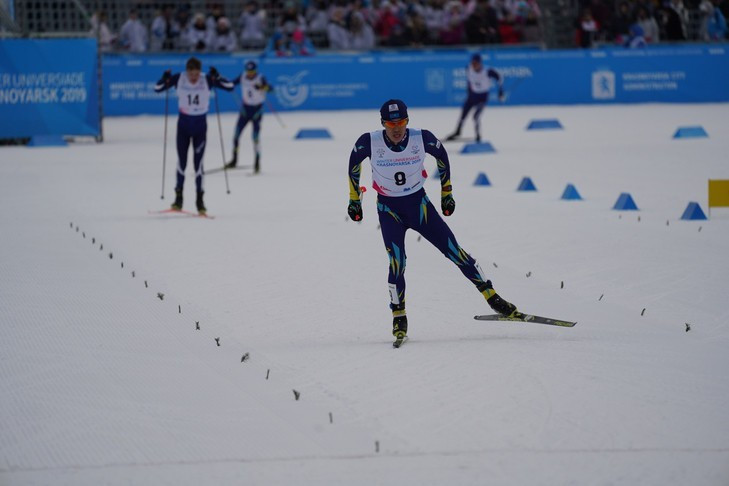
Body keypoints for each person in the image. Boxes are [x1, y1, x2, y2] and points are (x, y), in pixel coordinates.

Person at [347, 99, 519, 344]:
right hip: (389, 210)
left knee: (455, 252)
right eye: (390, 124)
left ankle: (492, 297)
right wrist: (355, 200)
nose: (396, 129)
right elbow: (353, 164)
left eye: (402, 122)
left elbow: (442, 156)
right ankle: (399, 314)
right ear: (382, 123)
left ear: (408, 121)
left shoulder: (421, 138)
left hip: (419, 207)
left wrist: (446, 193)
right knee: (397, 262)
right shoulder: (369, 141)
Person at [154, 57, 234, 214]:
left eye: (196, 74)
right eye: (191, 74)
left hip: (200, 127)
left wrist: (218, 76)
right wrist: (163, 78)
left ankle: (200, 200)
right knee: (182, 162)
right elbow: (157, 89)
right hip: (183, 126)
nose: (193, 78)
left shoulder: (206, 79)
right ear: (187, 71)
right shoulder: (179, 78)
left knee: (198, 164)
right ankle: (178, 199)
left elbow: (230, 87)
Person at [226, 60, 272, 174]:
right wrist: (221, 81)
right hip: (245, 111)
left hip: (257, 111)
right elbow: (231, 84)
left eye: (252, 71)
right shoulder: (242, 77)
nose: (250, 74)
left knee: (255, 138)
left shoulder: (260, 77)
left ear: (255, 71)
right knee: (236, 135)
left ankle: (257, 163)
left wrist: (262, 87)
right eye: (248, 71)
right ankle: (234, 160)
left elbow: (270, 88)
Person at [445, 53, 503, 143]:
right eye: (473, 63)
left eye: (476, 63)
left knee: (476, 116)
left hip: (482, 97)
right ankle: (458, 131)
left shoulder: (487, 71)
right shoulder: (468, 68)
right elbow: (469, 80)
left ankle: (478, 136)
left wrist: (500, 90)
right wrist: (469, 90)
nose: (474, 65)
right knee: (464, 113)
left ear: (480, 63)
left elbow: (499, 77)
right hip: (472, 96)